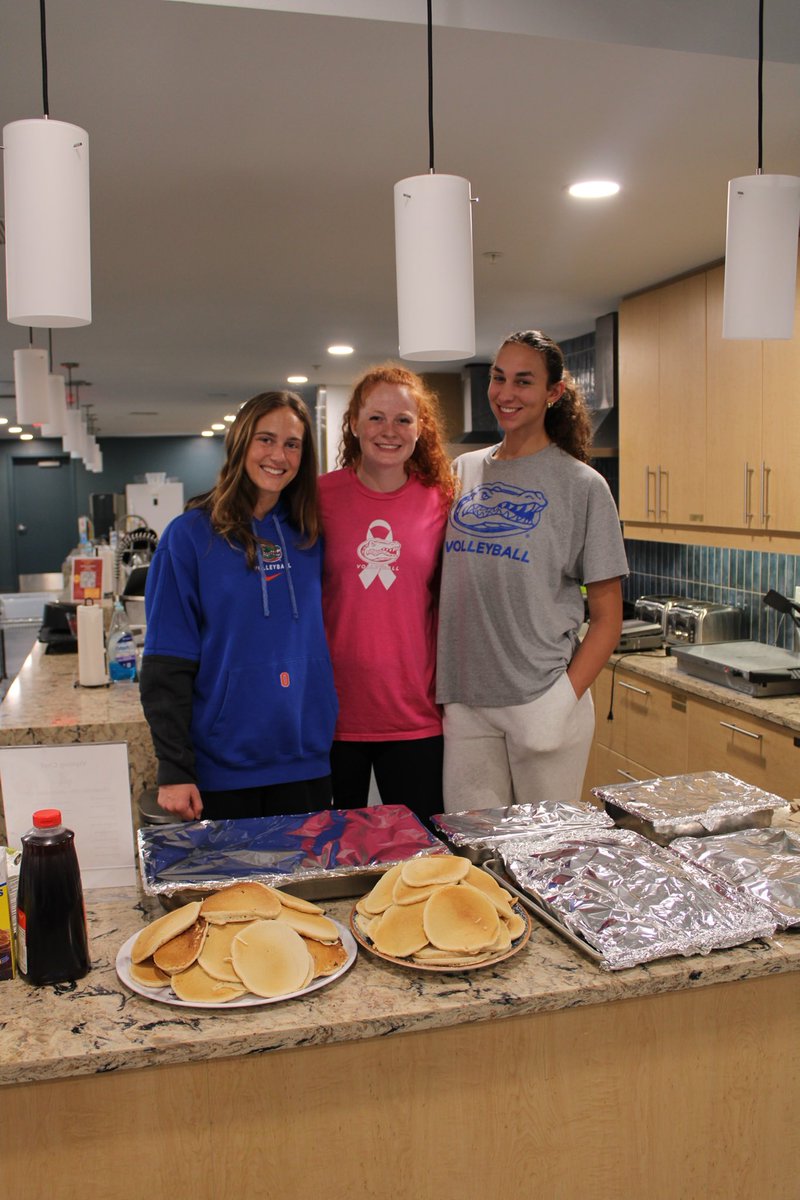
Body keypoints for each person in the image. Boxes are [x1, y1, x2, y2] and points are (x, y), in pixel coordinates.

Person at [436, 330, 628, 812]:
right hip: (465, 701)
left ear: (553, 392)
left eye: (524, 381)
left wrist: (561, 701)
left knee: (545, 857)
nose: (505, 393)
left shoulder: (582, 485)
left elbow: (607, 617)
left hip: (541, 697)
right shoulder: (463, 471)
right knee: (475, 853)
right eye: (499, 378)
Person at [139, 391, 337, 821]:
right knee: (232, 892)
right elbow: (164, 661)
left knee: (307, 891)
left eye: (292, 444)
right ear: (240, 443)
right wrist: (174, 768)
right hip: (221, 770)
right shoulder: (189, 536)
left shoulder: (312, 535)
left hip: (305, 761)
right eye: (265, 439)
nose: (278, 455)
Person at [318, 364, 455, 825]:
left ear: (422, 428)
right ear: (353, 424)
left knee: (422, 857)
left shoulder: (442, 500)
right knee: (333, 856)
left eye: (403, 419)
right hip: (332, 716)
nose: (389, 431)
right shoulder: (318, 498)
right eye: (375, 417)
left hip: (415, 713)